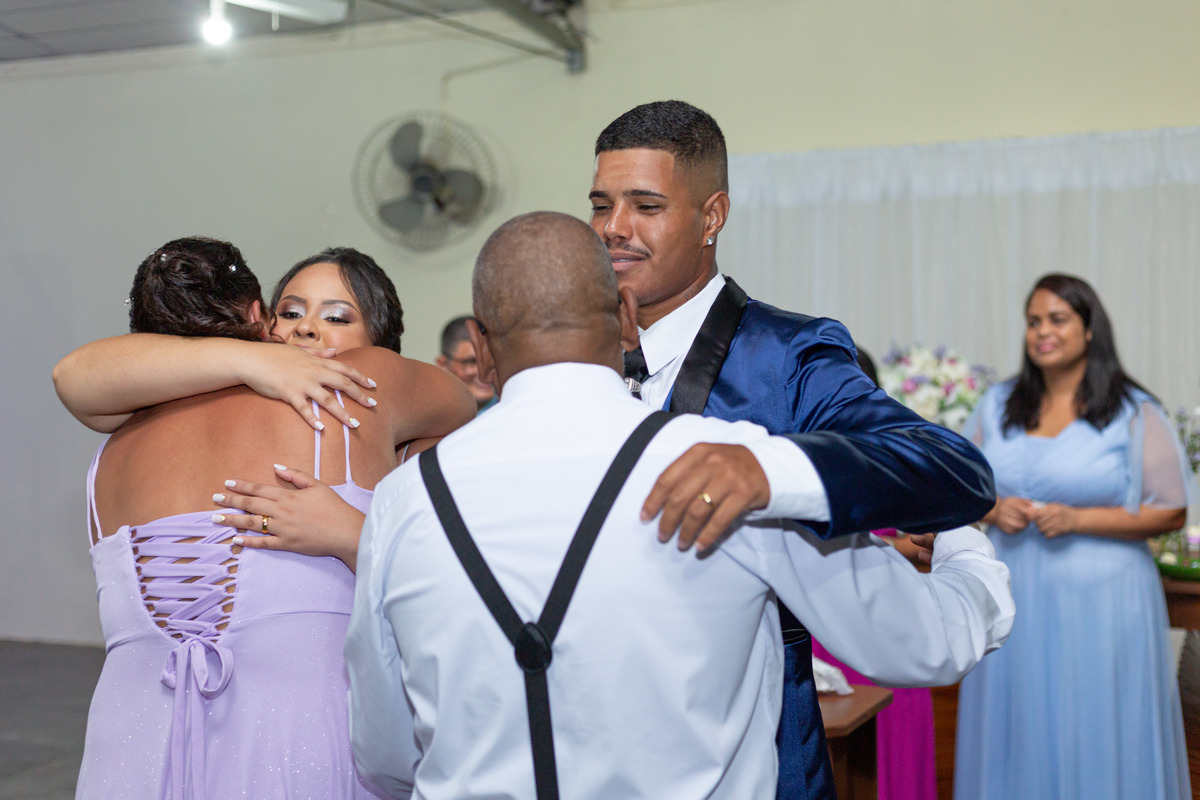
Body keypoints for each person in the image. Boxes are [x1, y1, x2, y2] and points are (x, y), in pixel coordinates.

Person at [343, 211, 1015, 799]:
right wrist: (963, 546)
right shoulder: (734, 471)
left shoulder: (406, 498)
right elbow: (924, 642)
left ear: (480, 347)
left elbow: (385, 752)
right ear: (626, 317)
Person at [588, 100, 997, 799]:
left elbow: (953, 470)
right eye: (602, 205)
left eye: (645, 205)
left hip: (759, 746)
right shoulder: (575, 353)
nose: (614, 228)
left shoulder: (785, 354)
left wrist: (768, 471)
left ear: (712, 216)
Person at [55, 247, 476, 566]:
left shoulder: (379, 393)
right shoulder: (229, 400)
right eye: (290, 313)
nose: (306, 328)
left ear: (382, 345)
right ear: (264, 323)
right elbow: (74, 376)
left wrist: (353, 533)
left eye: (336, 318)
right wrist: (250, 358)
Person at [953, 273, 1194, 800]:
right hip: (1014, 591)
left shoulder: (1134, 411)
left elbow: (1172, 510)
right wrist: (993, 509)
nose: (1043, 331)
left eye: (1057, 319)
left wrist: (1078, 519)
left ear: (1089, 329)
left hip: (1105, 599)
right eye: (1033, 321)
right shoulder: (997, 404)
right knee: (1021, 724)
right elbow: (959, 486)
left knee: (1099, 723)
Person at [436, 315, 497, 412]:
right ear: (443, 364)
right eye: (472, 362)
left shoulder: (515, 413)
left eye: (492, 360)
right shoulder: (431, 415)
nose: (485, 371)